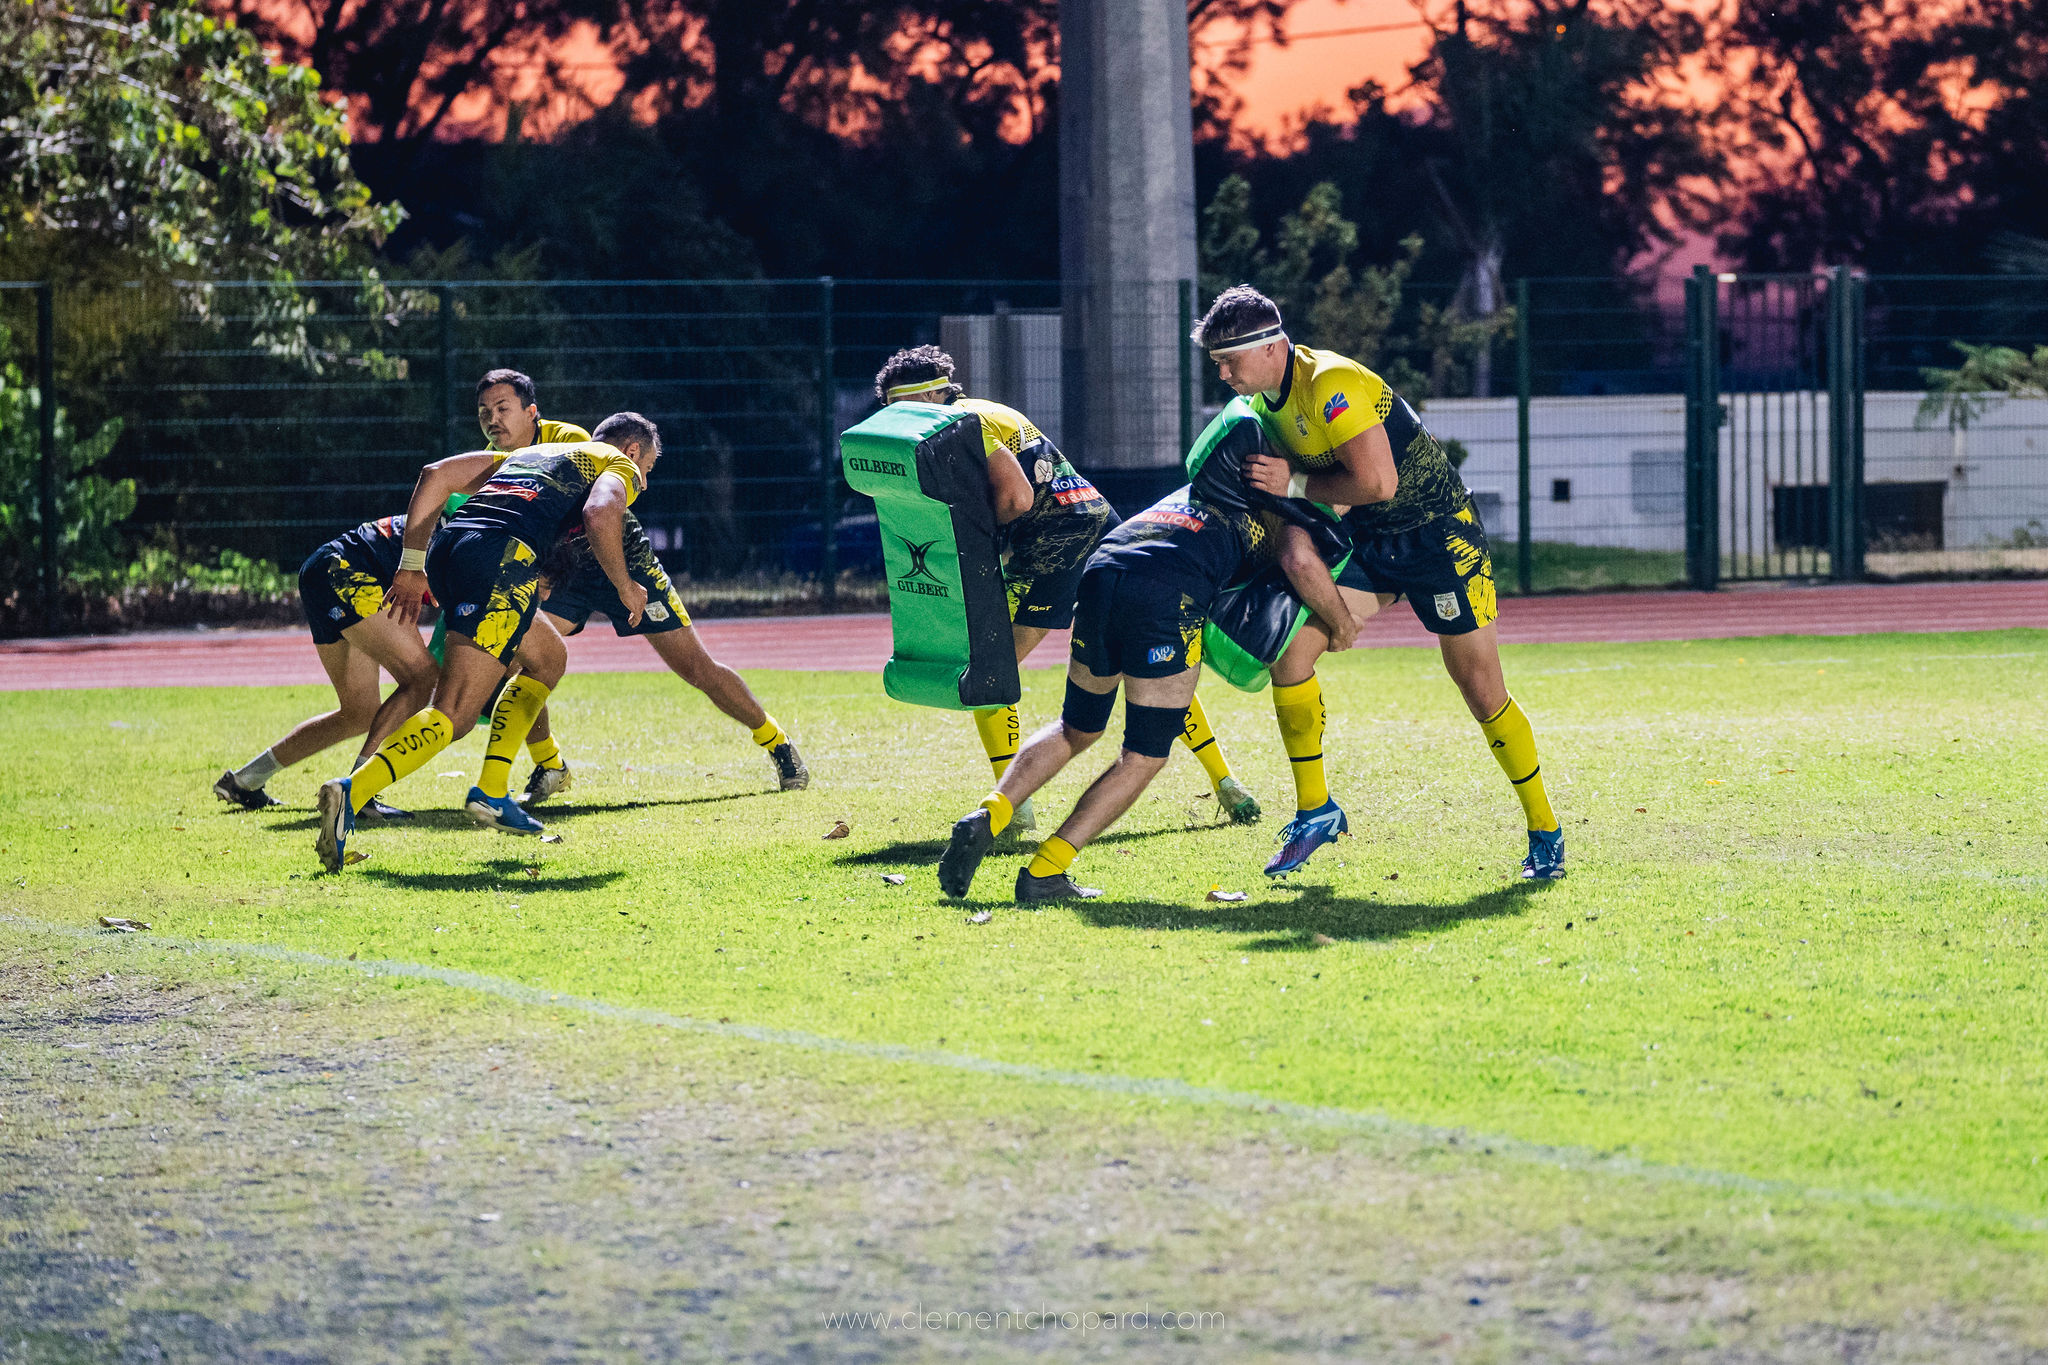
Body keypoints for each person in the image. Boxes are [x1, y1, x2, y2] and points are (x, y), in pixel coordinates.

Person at [1198, 283, 1565, 881]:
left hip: (1440, 537)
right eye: (1216, 362)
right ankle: (1316, 811)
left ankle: (1544, 830)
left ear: (1270, 347)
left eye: (1229, 360)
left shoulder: (1331, 383)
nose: (1223, 374)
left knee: (1481, 691)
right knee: (1291, 654)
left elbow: (1378, 484)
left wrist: (1292, 484)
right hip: (1371, 540)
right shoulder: (1263, 408)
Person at [934, 401, 1353, 903]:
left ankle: (990, 813)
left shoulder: (1200, 487)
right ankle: (1045, 871)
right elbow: (1299, 564)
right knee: (1144, 754)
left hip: (1104, 566)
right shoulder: (1286, 508)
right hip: (1165, 592)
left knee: (1076, 728)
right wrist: (1342, 624)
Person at [874, 345, 1262, 830]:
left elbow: (1017, 498)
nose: (897, 422)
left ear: (931, 395)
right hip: (1103, 526)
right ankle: (1226, 782)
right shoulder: (982, 410)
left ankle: (1013, 808)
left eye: (901, 408)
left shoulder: (959, 424)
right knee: (1147, 661)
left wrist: (979, 546)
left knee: (989, 665)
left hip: (1055, 543)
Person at [313, 414, 661, 872]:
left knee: (547, 657)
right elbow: (599, 514)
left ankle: (494, 790)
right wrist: (625, 585)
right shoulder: (618, 464)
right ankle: (353, 790)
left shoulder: (534, 454)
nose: (643, 481)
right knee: (456, 713)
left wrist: (412, 564)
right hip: (501, 557)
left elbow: (436, 475)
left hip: (451, 549)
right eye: (648, 469)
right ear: (634, 452)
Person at [473, 368, 807, 803]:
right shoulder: (495, 457)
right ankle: (550, 765)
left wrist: (620, 584)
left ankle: (778, 744)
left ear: (530, 412)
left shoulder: (573, 440)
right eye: (486, 412)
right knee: (517, 662)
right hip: (569, 570)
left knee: (697, 668)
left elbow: (594, 516)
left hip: (627, 565)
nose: (493, 420)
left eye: (502, 408)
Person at [211, 511, 438, 820]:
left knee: (359, 713)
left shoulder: (468, 517)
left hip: (323, 568)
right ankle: (359, 791)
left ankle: (245, 780)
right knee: (421, 677)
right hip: (350, 572)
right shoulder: (478, 536)